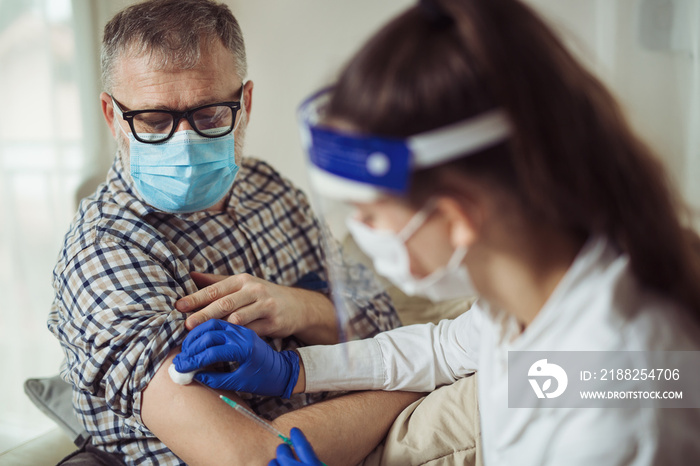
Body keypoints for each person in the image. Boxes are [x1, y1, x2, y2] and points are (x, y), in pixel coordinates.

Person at [175, 0, 700, 464]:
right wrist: (293, 370)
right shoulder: (530, 294)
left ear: (456, 218)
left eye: (372, 214)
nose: (362, 231)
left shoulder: (623, 396)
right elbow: (446, 349)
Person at [47, 1, 418, 464]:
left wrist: (299, 307)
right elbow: (252, 455)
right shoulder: (106, 253)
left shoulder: (269, 189)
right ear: (112, 116)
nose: (183, 141)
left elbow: (384, 322)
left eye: (208, 115)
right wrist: (418, 383)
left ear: (244, 104)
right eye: (154, 121)